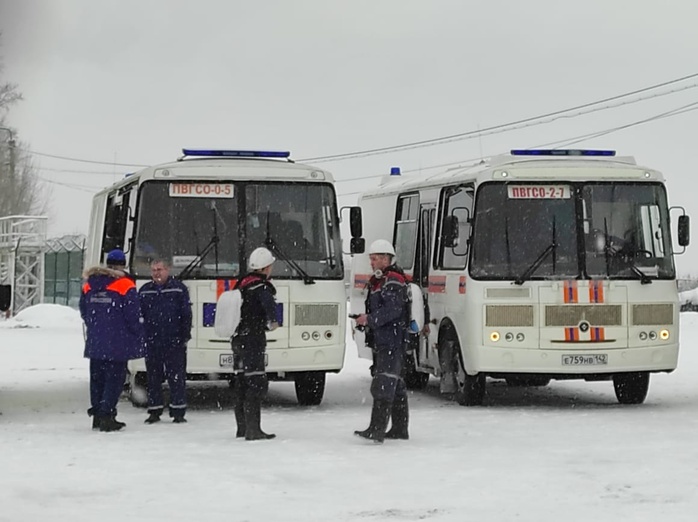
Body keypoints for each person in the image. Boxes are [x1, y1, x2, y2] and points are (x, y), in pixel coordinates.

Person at [79, 249, 144, 432]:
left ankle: (97, 416)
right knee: (113, 380)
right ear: (123, 264)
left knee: (97, 379)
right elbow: (133, 315)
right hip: (118, 342)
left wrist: (96, 326)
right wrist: (136, 332)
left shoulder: (89, 284)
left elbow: (84, 311)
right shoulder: (125, 284)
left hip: (96, 341)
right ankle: (108, 415)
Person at [354, 239, 410, 444]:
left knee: (384, 382)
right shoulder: (384, 279)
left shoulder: (392, 280)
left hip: (391, 339)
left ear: (387, 259)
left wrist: (369, 319)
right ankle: (398, 428)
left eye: (375, 259)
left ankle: (377, 429)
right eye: (371, 259)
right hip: (389, 338)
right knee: (396, 384)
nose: (372, 263)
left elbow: (393, 310)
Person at [230, 247, 279, 441]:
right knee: (256, 382)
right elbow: (270, 312)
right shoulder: (261, 287)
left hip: (238, 339)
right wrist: (272, 322)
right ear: (266, 267)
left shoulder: (241, 284)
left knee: (241, 382)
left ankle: (242, 428)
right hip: (253, 339)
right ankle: (253, 430)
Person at [139, 259, 193, 424]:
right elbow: (138, 315)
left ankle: (178, 411)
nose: (157, 273)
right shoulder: (145, 291)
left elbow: (186, 314)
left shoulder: (178, 288)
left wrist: (184, 336)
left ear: (167, 270)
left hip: (174, 341)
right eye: (154, 270)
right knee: (153, 378)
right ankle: (154, 411)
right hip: (152, 341)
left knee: (176, 377)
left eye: (160, 269)